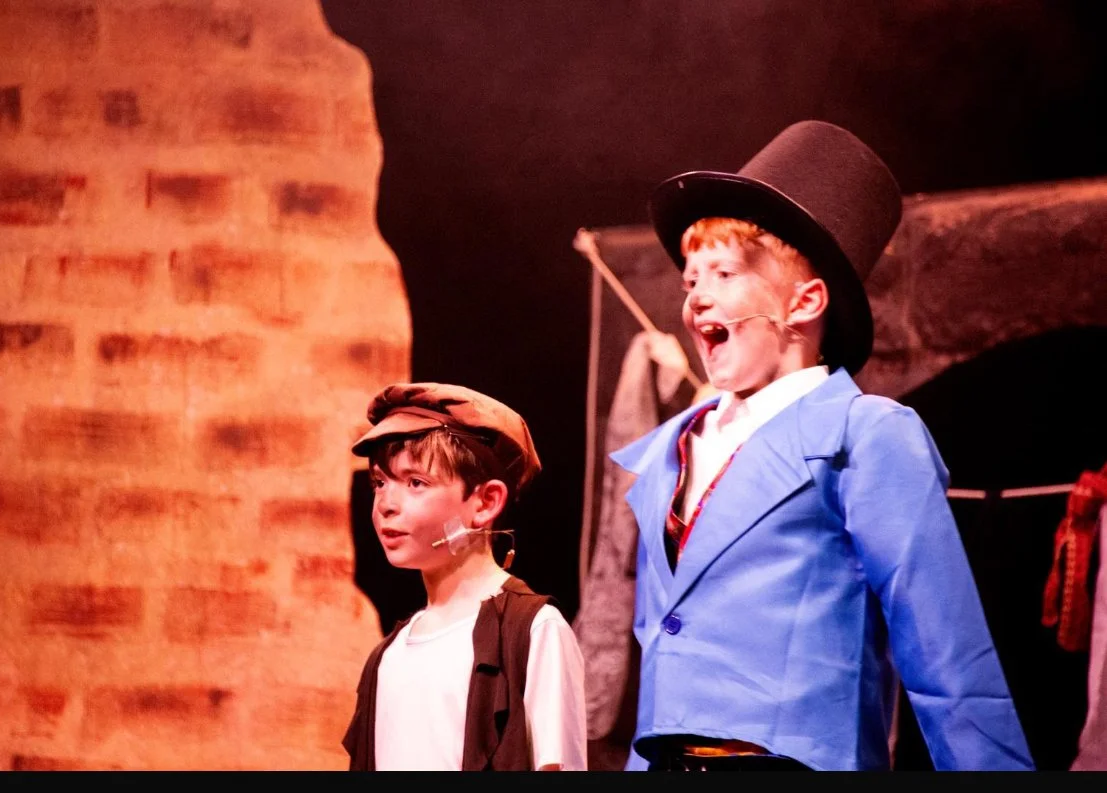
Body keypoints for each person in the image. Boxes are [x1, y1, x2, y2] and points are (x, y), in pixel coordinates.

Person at [613, 120, 1034, 771]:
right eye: (689, 279)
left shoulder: (862, 434)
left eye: (721, 272)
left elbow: (946, 658)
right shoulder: (672, 448)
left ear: (803, 302)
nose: (696, 295)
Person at [341, 382, 587, 771]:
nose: (386, 504)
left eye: (415, 483)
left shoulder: (532, 632)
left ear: (486, 502)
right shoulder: (388, 655)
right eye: (379, 482)